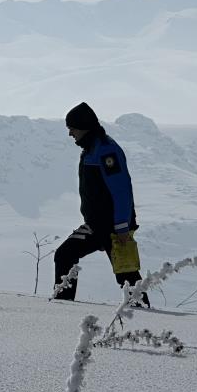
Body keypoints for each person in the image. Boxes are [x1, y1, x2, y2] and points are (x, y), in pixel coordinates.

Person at [52, 102, 149, 306]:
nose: (70, 133)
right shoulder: (92, 148)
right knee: (126, 274)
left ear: (84, 126)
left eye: (72, 128)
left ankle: (63, 306)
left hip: (112, 226)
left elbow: (122, 190)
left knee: (125, 273)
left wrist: (122, 225)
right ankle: (64, 304)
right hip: (99, 224)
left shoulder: (106, 151)